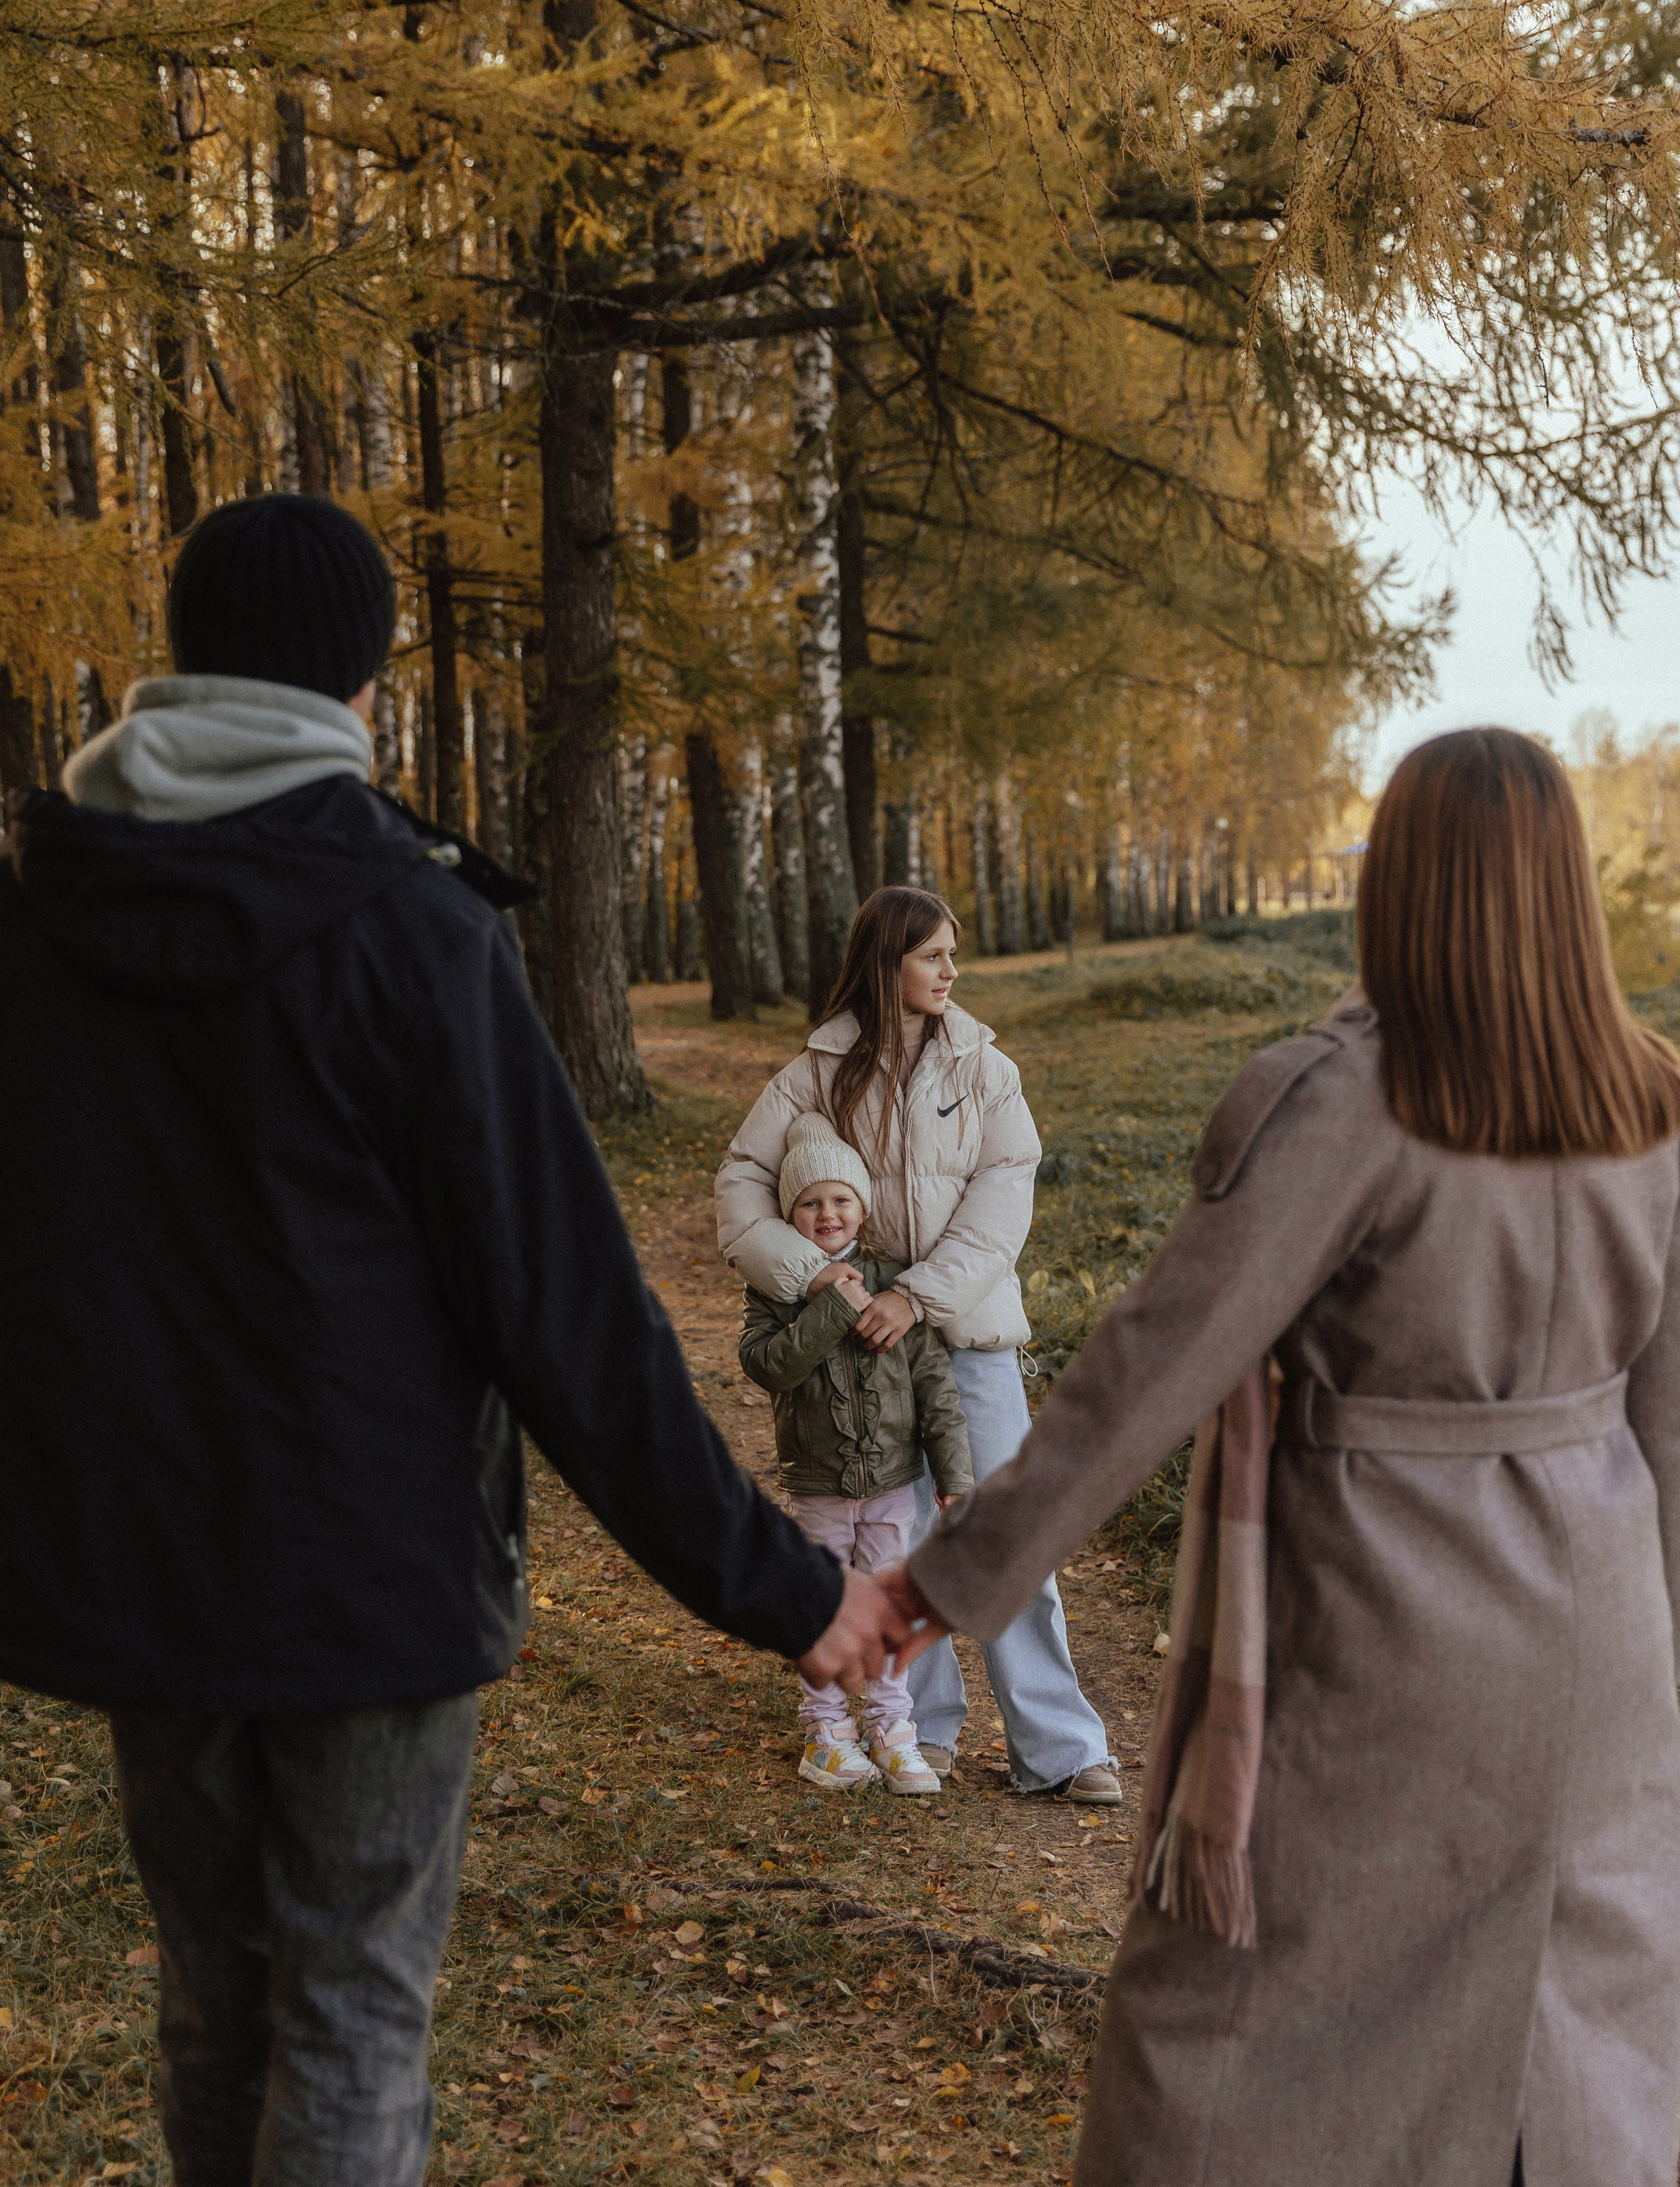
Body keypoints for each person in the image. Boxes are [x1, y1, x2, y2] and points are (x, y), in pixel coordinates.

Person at [0, 493, 904, 2187]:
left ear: (184, 669)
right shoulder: (413, 935)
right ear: (354, 691)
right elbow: (573, 1319)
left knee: (215, 2005)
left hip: (140, 1582)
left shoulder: (43, 922)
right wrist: (787, 1594)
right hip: (368, 1592)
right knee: (347, 2019)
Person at [883, 728, 1680, 2187]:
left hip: (1385, 1644)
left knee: (1229, 2017)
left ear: (1403, 889)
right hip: (1605, 1660)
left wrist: (942, 1581)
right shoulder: (1652, 1103)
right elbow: (1670, 1429)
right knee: (1568, 2035)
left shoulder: (1347, 1096)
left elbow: (1147, 1370)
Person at [717, 884, 1120, 1803]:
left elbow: (1003, 1195)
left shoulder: (984, 1067)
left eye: (952, 954)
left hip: (963, 1329)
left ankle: (1059, 1746)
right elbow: (740, 1183)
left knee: (1006, 1525)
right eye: (932, 954)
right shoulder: (818, 1071)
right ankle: (919, 1731)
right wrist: (818, 1276)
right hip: (859, 1346)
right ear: (885, 960)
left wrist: (919, 1297)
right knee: (897, 1542)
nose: (950, 970)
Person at [738, 1110, 973, 1796]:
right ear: (791, 1217)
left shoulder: (895, 1287)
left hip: (894, 1485)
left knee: (890, 1610)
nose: (827, 1213)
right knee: (823, 1605)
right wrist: (832, 1307)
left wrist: (954, 1472)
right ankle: (827, 1734)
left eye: (840, 1199)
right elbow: (768, 1367)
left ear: (862, 1210)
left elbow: (936, 1390)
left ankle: (894, 1732)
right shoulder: (774, 1295)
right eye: (810, 1203)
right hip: (820, 1487)